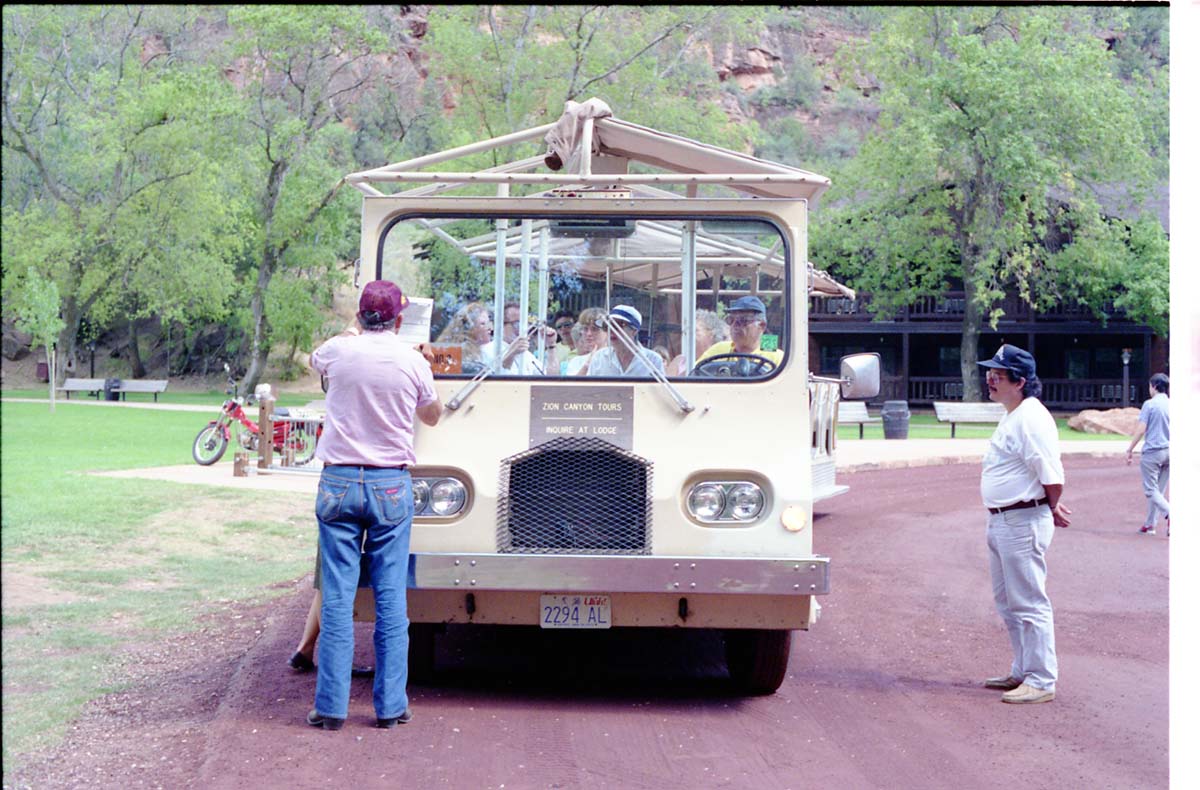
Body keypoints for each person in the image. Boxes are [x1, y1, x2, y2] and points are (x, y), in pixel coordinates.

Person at [305, 280, 443, 730]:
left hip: (339, 480)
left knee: (339, 597)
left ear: (360, 317)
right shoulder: (413, 360)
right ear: (400, 320)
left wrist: (350, 332)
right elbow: (432, 413)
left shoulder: (338, 352)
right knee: (389, 599)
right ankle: (389, 706)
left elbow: (316, 361)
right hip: (389, 484)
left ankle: (330, 708)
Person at [976, 344, 1071, 705]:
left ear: (1020, 381)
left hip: (1021, 519)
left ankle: (1042, 679)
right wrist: (1050, 502)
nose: (990, 378)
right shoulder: (1014, 413)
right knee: (1008, 602)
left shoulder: (1031, 417)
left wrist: (1051, 504)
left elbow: (1052, 474)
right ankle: (1023, 670)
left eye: (998, 374)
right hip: (1005, 518)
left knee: (1029, 602)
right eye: (990, 372)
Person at [437, 301, 556, 375]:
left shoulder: (526, 356)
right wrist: (511, 353)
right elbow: (493, 385)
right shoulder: (485, 351)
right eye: (517, 324)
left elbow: (552, 382)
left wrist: (551, 346)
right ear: (502, 325)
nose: (522, 329)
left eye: (526, 324)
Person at [1126, 372, 1169, 536]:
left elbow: (1141, 429)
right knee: (1159, 491)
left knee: (1151, 490)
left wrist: (1130, 448)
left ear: (1155, 386)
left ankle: (1172, 515)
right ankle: (1150, 524)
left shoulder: (1149, 405)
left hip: (1153, 452)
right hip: (1170, 452)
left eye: (1150, 386)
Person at [695, 295, 783, 369]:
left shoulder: (776, 358)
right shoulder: (718, 349)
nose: (735, 325)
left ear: (761, 326)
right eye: (731, 320)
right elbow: (695, 372)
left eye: (743, 320)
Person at [585, 305, 665, 378]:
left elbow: (660, 392)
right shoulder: (599, 358)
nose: (612, 330)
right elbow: (588, 390)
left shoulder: (653, 360)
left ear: (634, 331)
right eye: (607, 326)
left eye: (618, 325)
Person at [666, 309, 728, 376]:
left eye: (695, 331)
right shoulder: (679, 361)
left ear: (711, 334)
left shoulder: (721, 360)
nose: (688, 335)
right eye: (686, 332)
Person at [565, 307, 609, 375]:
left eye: (594, 329)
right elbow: (572, 385)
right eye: (585, 329)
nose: (589, 334)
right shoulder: (576, 362)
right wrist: (588, 365)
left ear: (607, 332)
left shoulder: (614, 359)